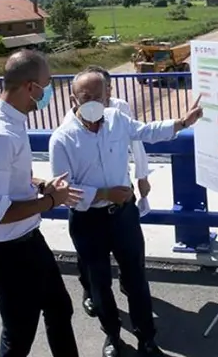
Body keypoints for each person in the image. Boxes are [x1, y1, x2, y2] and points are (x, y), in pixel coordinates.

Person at [49, 71, 204, 357]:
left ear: (108, 96)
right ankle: (112, 336)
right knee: (100, 283)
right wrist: (104, 194)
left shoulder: (118, 121)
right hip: (88, 221)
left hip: (123, 216)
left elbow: (146, 132)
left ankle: (147, 339)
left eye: (99, 96)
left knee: (136, 279)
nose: (93, 102)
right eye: (86, 97)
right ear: (74, 99)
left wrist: (181, 123)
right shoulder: (62, 138)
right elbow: (64, 190)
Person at [0, 49, 84, 357]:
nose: (50, 92)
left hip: (27, 241)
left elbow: (13, 180)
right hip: (10, 251)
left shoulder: (6, 118)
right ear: (31, 87)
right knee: (18, 337)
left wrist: (41, 184)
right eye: (47, 84)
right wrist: (50, 201)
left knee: (59, 307)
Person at [61, 65, 152, 318]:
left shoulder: (119, 108)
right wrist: (100, 193)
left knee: (131, 257)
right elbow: (67, 181)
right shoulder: (71, 122)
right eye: (91, 94)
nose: (104, 96)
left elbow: (137, 139)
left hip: (122, 197)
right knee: (92, 265)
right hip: (90, 210)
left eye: (106, 90)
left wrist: (142, 176)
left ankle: (129, 287)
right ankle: (90, 292)